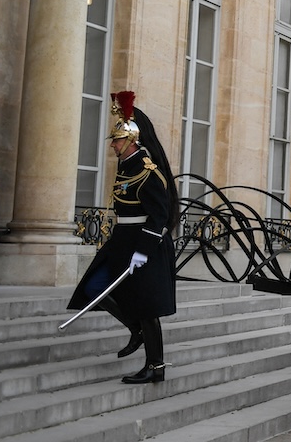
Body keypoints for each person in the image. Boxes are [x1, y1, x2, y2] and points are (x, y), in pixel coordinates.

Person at [67, 92, 178, 385]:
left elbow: (159, 216)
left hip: (145, 243)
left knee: (147, 306)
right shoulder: (127, 167)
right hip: (122, 240)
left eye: (117, 140)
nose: (113, 145)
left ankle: (156, 366)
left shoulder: (146, 170)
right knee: (95, 287)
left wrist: (143, 250)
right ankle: (135, 331)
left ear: (131, 141)